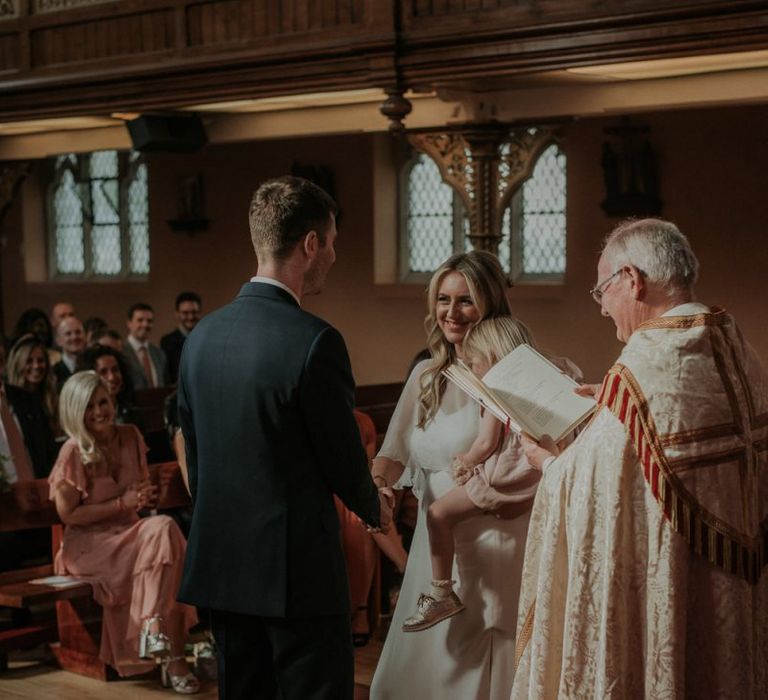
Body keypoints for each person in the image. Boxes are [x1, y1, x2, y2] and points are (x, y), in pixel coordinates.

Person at [512, 219, 768, 698]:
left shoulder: (645, 369)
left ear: (633, 280)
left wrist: (548, 465)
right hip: (728, 585)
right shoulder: (735, 349)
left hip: (668, 583)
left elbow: (594, 489)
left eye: (602, 291)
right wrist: (609, 409)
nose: (604, 308)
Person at [177, 176, 389, 700]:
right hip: (295, 573)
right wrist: (377, 506)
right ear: (310, 244)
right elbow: (341, 457)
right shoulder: (315, 340)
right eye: (332, 242)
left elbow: (198, 462)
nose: (334, 255)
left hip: (222, 566)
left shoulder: (201, 337)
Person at [370, 250, 531, 699]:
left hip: (500, 538)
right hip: (435, 543)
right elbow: (392, 453)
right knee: (431, 666)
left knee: (490, 652)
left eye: (466, 300)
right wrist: (380, 485)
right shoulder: (426, 375)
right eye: (443, 299)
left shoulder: (515, 371)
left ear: (490, 303)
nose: (451, 312)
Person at [401, 316, 581, 632]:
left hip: (502, 478)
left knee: (437, 514)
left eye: (474, 362)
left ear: (494, 357)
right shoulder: (551, 379)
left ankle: (441, 591)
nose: (473, 370)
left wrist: (464, 461)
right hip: (532, 478)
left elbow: (486, 442)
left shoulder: (497, 388)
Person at [48, 371, 199, 692]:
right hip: (89, 546)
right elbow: (68, 514)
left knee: (164, 535)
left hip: (131, 535)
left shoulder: (130, 435)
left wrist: (143, 497)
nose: (100, 411)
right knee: (164, 533)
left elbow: (140, 491)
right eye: (89, 406)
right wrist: (121, 504)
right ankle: (172, 656)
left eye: (103, 402)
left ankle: (156, 632)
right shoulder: (72, 451)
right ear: (76, 411)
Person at [6, 333, 59, 434]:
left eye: (40, 361)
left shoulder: (53, 399)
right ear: (18, 365)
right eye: (29, 361)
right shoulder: (8, 402)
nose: (36, 366)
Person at [76, 345, 140, 428]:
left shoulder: (132, 414)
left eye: (115, 370)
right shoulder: (85, 418)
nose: (111, 377)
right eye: (103, 372)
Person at [123, 303, 169, 390]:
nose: (145, 325)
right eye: (140, 320)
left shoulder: (159, 353)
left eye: (149, 321)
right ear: (129, 323)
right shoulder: (121, 352)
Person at [161, 292, 202, 383]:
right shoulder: (167, 342)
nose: (190, 317)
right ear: (177, 314)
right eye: (185, 313)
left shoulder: (207, 340)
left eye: (194, 312)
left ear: (200, 313)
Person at [52, 316, 86, 388]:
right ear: (58, 340)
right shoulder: (53, 373)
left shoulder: (94, 366)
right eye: (68, 333)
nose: (74, 337)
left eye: (78, 332)